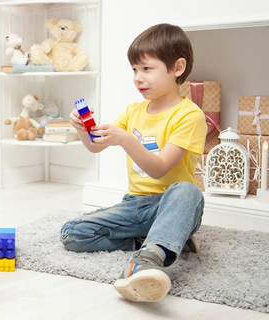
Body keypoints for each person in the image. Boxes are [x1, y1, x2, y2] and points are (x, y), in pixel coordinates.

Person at [60, 23, 207, 302]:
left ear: (177, 68)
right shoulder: (133, 110)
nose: (138, 78)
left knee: (187, 191)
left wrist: (126, 139)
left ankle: (147, 261)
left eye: (147, 69)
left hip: (172, 203)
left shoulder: (190, 116)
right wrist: (82, 128)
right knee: (71, 233)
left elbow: (159, 168)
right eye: (134, 70)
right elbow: (95, 146)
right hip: (135, 204)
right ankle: (158, 241)